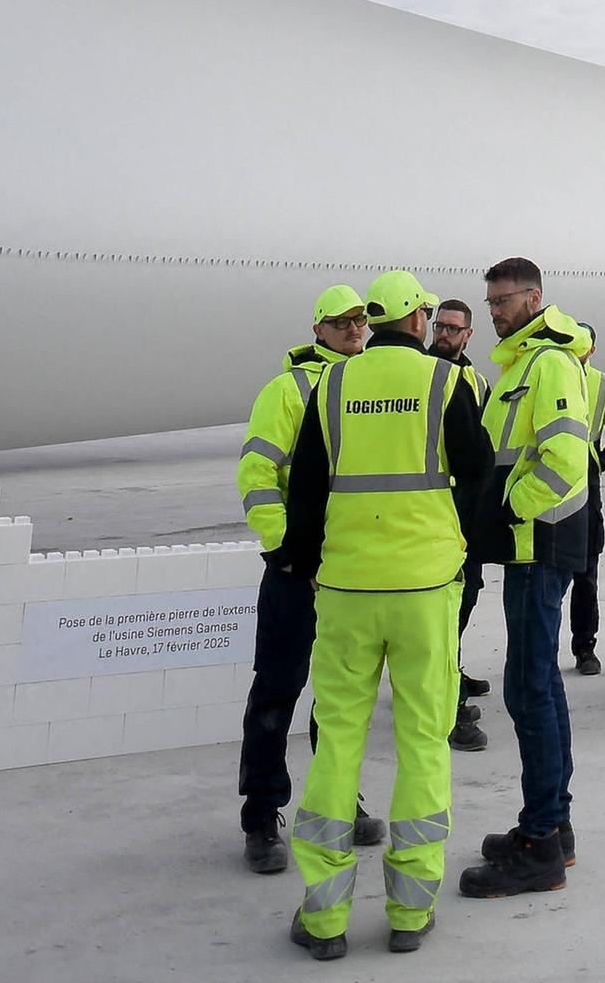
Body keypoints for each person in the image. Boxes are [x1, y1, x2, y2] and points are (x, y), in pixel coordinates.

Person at [277, 269, 490, 958]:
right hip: (426, 589)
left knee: (338, 738)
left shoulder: (332, 384)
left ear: (374, 319)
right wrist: (463, 553)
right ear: (421, 318)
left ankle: (325, 918)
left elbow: (306, 486)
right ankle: (408, 911)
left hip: (344, 589)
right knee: (424, 740)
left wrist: (307, 563)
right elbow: (478, 479)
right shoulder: (446, 383)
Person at [234, 284, 383, 874]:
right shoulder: (288, 390)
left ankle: (338, 800)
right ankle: (261, 816)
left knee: (341, 698)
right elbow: (257, 471)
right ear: (318, 328)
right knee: (276, 691)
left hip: (349, 574)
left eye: (361, 321)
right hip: (298, 575)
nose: (354, 329)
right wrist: (285, 550)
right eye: (341, 322)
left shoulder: (369, 385)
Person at [460, 257, 593, 898]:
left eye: (503, 301)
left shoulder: (551, 365)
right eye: (490, 302)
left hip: (537, 547)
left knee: (527, 692)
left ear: (534, 297)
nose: (494, 311)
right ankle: (553, 827)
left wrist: (515, 506)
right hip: (522, 550)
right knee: (536, 687)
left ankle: (541, 840)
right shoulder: (518, 365)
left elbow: (566, 458)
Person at [429, 297, 492, 753]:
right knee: (441, 611)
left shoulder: (475, 379)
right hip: (432, 514)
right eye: (440, 326)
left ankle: (452, 671)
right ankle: (446, 707)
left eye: (454, 329)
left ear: (468, 335)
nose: (445, 335)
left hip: (465, 517)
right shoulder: (423, 375)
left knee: (465, 599)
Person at [569, 323, 605, 674]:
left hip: (585, 482)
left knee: (586, 570)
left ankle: (584, 647)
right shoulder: (549, 373)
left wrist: (600, 460)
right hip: (549, 478)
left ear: (592, 348)